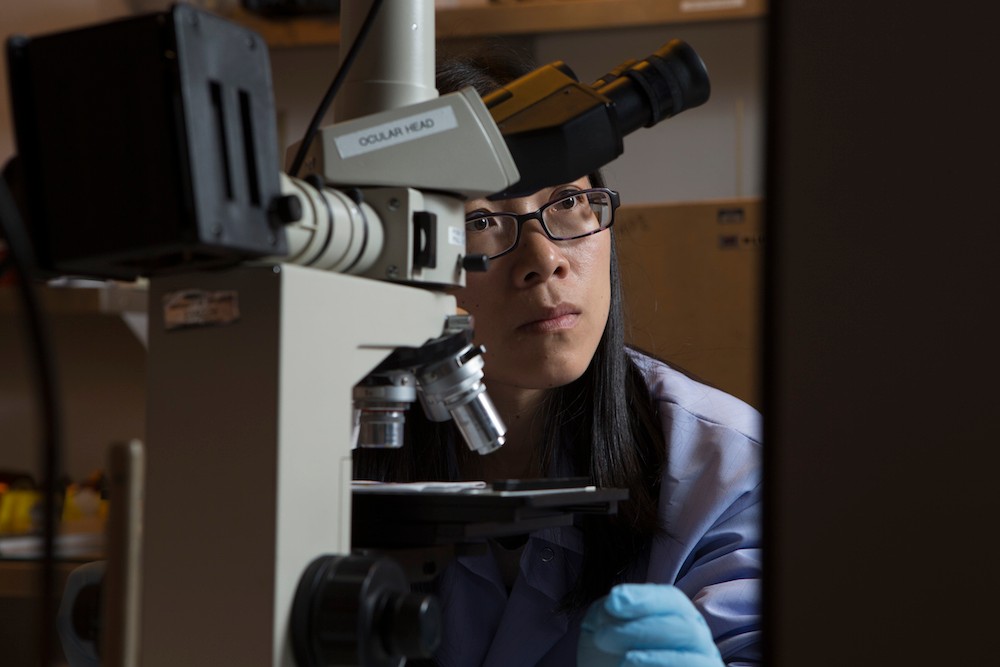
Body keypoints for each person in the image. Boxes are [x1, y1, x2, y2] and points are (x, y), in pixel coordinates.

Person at [353, 46, 762, 667]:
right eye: (482, 219)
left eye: (568, 202)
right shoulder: (319, 452)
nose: (545, 259)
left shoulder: (722, 468)